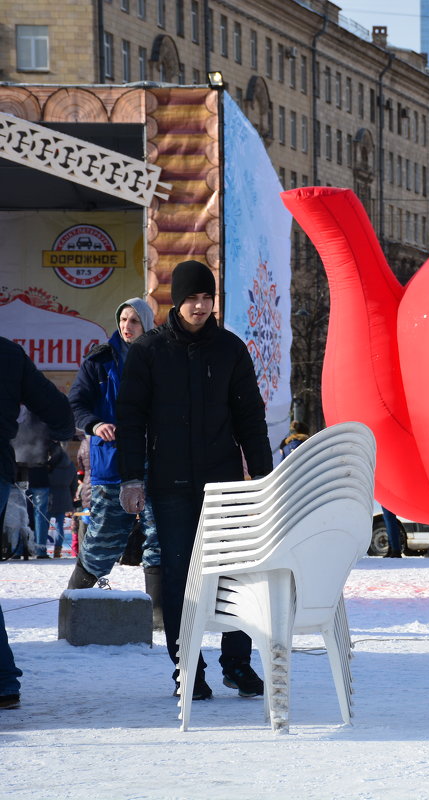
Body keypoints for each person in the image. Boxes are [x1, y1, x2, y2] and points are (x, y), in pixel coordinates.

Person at [116, 260, 273, 701]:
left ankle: (236, 663)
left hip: (224, 484)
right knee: (180, 574)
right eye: (192, 298)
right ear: (176, 300)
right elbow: (130, 419)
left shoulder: (230, 349)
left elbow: (250, 418)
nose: (200, 306)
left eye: (207, 298)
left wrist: (262, 476)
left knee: (233, 573)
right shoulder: (148, 351)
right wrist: (131, 476)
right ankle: (189, 668)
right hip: (170, 485)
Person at [66, 298, 161, 602]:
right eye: (122, 320)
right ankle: (72, 602)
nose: (126, 326)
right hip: (113, 463)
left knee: (159, 538)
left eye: (134, 320)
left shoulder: (163, 358)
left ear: (145, 323)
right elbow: (77, 403)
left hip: (157, 461)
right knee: (102, 540)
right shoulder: (100, 360)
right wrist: (94, 425)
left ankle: (160, 615)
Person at [0, 336, 74, 708]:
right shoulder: (8, 353)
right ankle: (3, 682)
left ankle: (3, 681)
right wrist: (60, 432)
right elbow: (56, 408)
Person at [46, 444, 76, 558]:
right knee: (60, 525)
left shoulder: (50, 465)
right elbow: (74, 483)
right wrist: (71, 497)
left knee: (45, 524)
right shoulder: (70, 464)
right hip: (65, 495)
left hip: (50, 495)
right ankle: (57, 550)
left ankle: (41, 548)